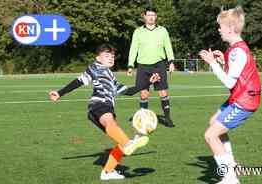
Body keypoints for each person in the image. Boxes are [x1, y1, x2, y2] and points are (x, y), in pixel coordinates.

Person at [49, 44, 160, 180]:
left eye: (112, 56)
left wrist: (148, 82)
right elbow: (79, 81)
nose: (111, 58)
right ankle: (128, 143)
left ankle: (107, 172)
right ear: (98, 58)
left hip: (105, 108)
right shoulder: (95, 67)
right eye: (107, 56)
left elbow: (129, 91)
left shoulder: (111, 77)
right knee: (117, 131)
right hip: (99, 105)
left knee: (119, 138)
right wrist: (60, 93)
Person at [199, 6, 261, 184]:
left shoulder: (238, 51)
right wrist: (222, 60)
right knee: (213, 123)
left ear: (230, 29)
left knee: (210, 135)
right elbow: (236, 73)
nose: (219, 30)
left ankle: (230, 178)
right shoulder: (235, 50)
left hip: (245, 100)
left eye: (221, 26)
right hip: (240, 96)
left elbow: (229, 82)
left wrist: (212, 63)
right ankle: (232, 165)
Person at [127, 6, 175, 127]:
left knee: (163, 92)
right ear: (144, 16)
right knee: (143, 93)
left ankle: (168, 118)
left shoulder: (163, 30)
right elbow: (133, 49)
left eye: (153, 15)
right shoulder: (138, 31)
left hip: (159, 65)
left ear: (156, 17)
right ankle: (142, 119)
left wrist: (171, 61)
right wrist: (130, 65)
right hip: (143, 66)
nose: (151, 17)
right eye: (149, 15)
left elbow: (168, 46)